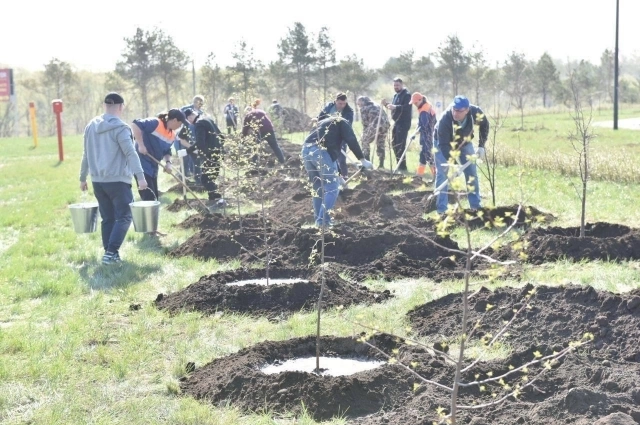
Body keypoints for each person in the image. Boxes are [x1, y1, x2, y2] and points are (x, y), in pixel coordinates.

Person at [79, 92, 148, 264]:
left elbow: (85, 154)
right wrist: (140, 177)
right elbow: (130, 153)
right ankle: (111, 253)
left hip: (97, 181)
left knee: (108, 218)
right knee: (124, 216)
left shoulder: (90, 126)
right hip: (117, 181)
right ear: (121, 107)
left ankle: (110, 254)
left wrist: (82, 177)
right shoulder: (121, 128)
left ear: (105, 106)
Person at [301, 116, 373, 228]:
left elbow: (332, 157)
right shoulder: (343, 122)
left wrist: (339, 176)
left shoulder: (324, 123)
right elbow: (351, 140)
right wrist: (362, 160)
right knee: (333, 187)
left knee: (317, 187)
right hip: (320, 150)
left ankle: (320, 221)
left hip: (306, 150)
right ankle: (322, 222)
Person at [433, 95, 489, 215]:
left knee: (471, 173)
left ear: (467, 110)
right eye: (454, 109)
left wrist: (481, 146)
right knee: (442, 174)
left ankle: (475, 207)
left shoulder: (475, 112)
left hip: (464, 142)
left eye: (459, 111)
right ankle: (441, 210)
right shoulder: (445, 120)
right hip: (443, 143)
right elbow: (443, 145)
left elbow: (485, 125)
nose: (455, 113)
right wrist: (453, 164)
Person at [132, 108, 187, 201]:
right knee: (149, 198)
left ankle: (151, 215)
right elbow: (135, 124)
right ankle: (147, 215)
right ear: (174, 120)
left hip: (153, 167)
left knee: (154, 197)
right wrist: (141, 145)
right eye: (180, 123)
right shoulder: (156, 123)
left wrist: (168, 163)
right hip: (142, 164)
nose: (180, 126)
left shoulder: (172, 135)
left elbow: (167, 151)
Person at [183, 109, 225, 206]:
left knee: (205, 179)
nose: (189, 123)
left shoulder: (199, 123)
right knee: (211, 177)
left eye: (188, 120)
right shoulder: (207, 119)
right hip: (218, 153)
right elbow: (221, 136)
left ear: (190, 117)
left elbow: (200, 143)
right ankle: (213, 199)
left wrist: (187, 151)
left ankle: (216, 199)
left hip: (211, 154)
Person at [317, 92, 355, 179]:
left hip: (340, 138)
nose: (342, 105)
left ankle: (343, 178)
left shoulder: (349, 111)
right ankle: (328, 177)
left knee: (341, 159)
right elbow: (320, 117)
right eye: (340, 103)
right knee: (326, 158)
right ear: (335, 101)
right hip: (326, 137)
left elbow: (348, 125)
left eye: (344, 103)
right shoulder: (329, 107)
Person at [384, 78, 412, 172]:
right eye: (394, 85)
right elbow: (394, 108)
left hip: (403, 123)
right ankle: (398, 164)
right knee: (394, 143)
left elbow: (407, 107)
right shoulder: (396, 95)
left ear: (402, 85)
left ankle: (403, 167)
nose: (396, 87)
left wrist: (395, 107)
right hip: (396, 122)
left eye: (397, 85)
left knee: (400, 145)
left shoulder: (407, 95)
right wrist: (386, 104)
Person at [356, 96, 390, 169]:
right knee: (381, 143)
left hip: (374, 126)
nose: (358, 105)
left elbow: (365, 123)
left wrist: (364, 134)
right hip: (385, 126)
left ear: (363, 102)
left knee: (364, 141)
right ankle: (381, 164)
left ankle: (367, 162)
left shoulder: (364, 108)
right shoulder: (376, 105)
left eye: (359, 103)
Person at [409, 92, 437, 178]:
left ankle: (435, 176)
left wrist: (415, 133)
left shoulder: (424, 110)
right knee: (425, 156)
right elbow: (420, 124)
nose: (415, 104)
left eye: (416, 102)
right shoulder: (425, 107)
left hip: (427, 136)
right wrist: (415, 132)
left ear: (420, 100)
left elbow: (424, 126)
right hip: (429, 135)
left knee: (428, 157)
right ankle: (420, 176)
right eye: (414, 103)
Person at [176, 95, 205, 180]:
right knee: (185, 158)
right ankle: (183, 176)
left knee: (196, 160)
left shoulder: (201, 112)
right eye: (199, 103)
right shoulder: (187, 109)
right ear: (195, 102)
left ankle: (196, 178)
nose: (200, 105)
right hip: (185, 136)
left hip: (195, 138)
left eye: (201, 103)